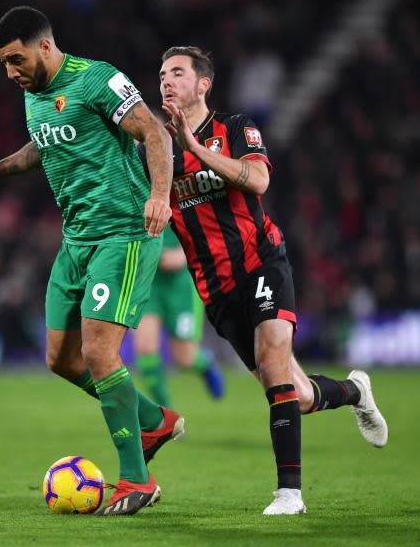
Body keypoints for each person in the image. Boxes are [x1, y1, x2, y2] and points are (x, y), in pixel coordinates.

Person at [0, 6, 182, 516]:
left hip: (123, 234)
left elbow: (156, 133)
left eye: (15, 59)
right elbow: (43, 147)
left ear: (45, 47)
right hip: (75, 242)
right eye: (2, 63)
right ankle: (152, 420)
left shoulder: (99, 79)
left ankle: (136, 482)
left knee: (101, 354)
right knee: (61, 359)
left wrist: (159, 195)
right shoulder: (33, 97)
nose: (10, 72)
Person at [154, 46, 388, 515]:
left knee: (272, 360)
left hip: (261, 263)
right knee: (295, 395)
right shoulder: (158, 151)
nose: (166, 80)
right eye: (161, 74)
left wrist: (197, 149)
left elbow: (257, 181)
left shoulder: (236, 128)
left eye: (177, 72)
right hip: (216, 290)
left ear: (203, 84)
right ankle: (355, 391)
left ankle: (289, 495)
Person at [132, 228, 225, 406]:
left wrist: (185, 254)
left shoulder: (183, 199)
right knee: (145, 349)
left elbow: (208, 225)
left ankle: (205, 363)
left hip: (180, 285)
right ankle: (167, 415)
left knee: (185, 359)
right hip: (146, 281)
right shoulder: (129, 200)